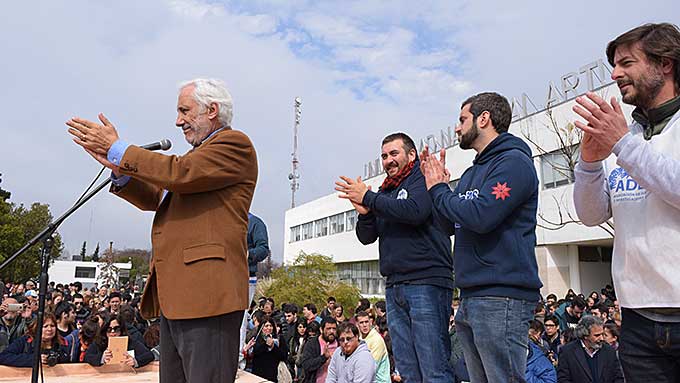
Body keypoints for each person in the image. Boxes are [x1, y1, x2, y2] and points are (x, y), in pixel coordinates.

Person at [66, 78, 258, 383]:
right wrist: (119, 170)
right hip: (177, 299)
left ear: (212, 110)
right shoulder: (196, 162)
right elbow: (158, 195)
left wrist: (119, 150)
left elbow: (179, 173)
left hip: (208, 298)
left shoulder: (235, 145)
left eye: (184, 110)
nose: (178, 120)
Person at [572, 22, 680, 383]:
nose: (615, 73)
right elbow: (590, 216)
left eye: (627, 63)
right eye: (614, 65)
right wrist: (588, 162)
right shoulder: (625, 134)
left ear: (665, 64)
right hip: (637, 321)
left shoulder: (625, 140)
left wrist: (622, 145)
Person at [420, 92, 542, 383]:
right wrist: (436, 190)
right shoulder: (472, 173)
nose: (457, 128)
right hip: (471, 296)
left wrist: (440, 191)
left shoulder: (513, 163)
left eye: (462, 119)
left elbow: (481, 216)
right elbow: (450, 224)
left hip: (502, 296)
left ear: (483, 118)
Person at [336, 132, 455, 382]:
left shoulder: (422, 177)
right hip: (394, 286)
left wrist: (369, 198)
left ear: (411, 155)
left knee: (434, 367)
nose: (388, 160)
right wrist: (366, 212)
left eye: (394, 153)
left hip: (426, 282)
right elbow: (367, 236)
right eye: (383, 156)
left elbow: (416, 211)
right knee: (408, 369)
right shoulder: (384, 191)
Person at [240, 212, 271, 368]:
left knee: (239, 318)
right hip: (223, 275)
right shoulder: (225, 219)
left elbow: (264, 249)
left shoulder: (255, 223)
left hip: (245, 277)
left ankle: (238, 359)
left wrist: (246, 254)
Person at [556, 316, 624, 383]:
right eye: (597, 335)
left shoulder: (609, 351)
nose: (601, 338)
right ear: (585, 335)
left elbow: (618, 377)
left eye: (602, 334)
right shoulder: (567, 352)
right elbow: (563, 379)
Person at [84, 314, 154, 368]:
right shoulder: (99, 342)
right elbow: (87, 357)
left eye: (116, 329)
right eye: (109, 329)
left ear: (121, 330)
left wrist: (136, 361)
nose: (113, 332)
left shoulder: (130, 342)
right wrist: (101, 358)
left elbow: (149, 355)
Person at [0, 312, 69, 367]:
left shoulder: (61, 343)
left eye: (52, 326)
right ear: (37, 328)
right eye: (45, 326)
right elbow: (3, 357)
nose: (49, 329)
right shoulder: (25, 341)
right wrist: (34, 359)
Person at [300, 317, 338, 383]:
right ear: (321, 329)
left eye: (334, 329)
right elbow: (306, 365)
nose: (331, 331)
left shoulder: (341, 344)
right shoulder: (312, 343)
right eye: (328, 329)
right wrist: (324, 357)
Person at [356, 311, 390, 382]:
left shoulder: (376, 340)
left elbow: (372, 367)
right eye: (361, 323)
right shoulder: (359, 338)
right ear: (357, 324)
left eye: (366, 322)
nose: (364, 325)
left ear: (370, 322)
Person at [251, 317, 288, 382]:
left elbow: (284, 356)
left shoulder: (279, 338)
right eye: (266, 326)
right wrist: (265, 344)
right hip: (258, 375)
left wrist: (273, 346)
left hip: (273, 374)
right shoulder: (256, 338)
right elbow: (255, 353)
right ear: (262, 327)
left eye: (271, 326)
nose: (269, 328)